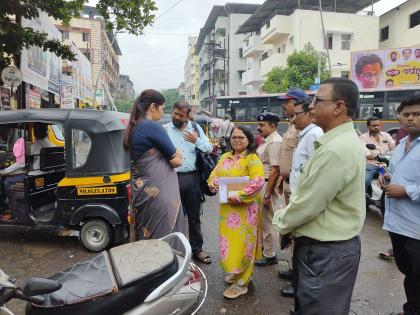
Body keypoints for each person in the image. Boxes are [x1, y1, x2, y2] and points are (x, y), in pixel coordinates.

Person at [273, 78, 365, 315]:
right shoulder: (334, 142)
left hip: (326, 253)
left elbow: (308, 205)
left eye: (317, 100)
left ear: (338, 107)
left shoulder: (335, 149)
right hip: (326, 250)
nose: (311, 106)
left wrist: (281, 223)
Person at [123, 89, 185, 250]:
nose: (163, 112)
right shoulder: (152, 127)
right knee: (162, 240)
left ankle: (150, 271)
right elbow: (177, 161)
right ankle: (165, 272)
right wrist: (177, 155)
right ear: (153, 106)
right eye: (162, 108)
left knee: (148, 237)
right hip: (158, 195)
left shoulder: (135, 127)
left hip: (142, 192)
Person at [207, 126, 264, 299]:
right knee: (230, 245)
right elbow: (213, 175)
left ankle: (242, 282)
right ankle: (236, 271)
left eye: (241, 137)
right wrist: (213, 184)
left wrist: (239, 195)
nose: (237, 140)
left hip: (246, 210)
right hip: (227, 210)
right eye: (234, 137)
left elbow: (258, 182)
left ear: (249, 139)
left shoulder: (252, 159)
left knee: (244, 245)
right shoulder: (225, 157)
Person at [380, 95, 420, 315]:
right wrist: (387, 178)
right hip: (397, 224)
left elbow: (409, 186)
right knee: (409, 274)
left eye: (417, 114)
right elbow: (397, 173)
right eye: (406, 114)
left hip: (417, 228)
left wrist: (407, 191)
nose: (411, 118)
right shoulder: (402, 144)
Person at [164, 100, 213, 264]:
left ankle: (197, 250)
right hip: (172, 178)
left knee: (194, 216)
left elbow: (210, 148)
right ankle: (175, 252)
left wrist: (196, 141)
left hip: (192, 178)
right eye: (175, 113)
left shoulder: (196, 129)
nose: (176, 117)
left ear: (188, 115)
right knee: (174, 217)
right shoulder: (165, 130)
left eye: (181, 115)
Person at [275, 88, 307, 293]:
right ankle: (294, 269)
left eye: (286, 102)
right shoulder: (291, 125)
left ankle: (299, 279)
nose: (283, 106)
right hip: (287, 182)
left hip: (297, 187)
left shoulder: (306, 129)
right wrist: (281, 177)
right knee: (292, 233)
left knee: (298, 233)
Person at [254, 112, 282, 267]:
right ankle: (266, 249)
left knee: (267, 221)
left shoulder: (275, 142)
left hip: (267, 184)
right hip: (262, 183)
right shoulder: (267, 140)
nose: (259, 128)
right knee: (262, 220)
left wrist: (268, 194)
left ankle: (270, 255)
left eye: (262, 125)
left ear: (273, 126)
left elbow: (274, 170)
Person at [359, 117, 395, 198]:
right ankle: (365, 199)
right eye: (374, 125)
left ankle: (382, 202)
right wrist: (369, 155)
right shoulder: (363, 137)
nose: (376, 127)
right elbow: (364, 149)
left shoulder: (386, 135)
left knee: (386, 181)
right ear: (368, 127)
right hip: (371, 164)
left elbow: (394, 146)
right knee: (364, 181)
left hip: (383, 165)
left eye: (378, 125)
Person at [0, 138, 25, 220]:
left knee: (7, 182)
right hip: (32, 173)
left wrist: (4, 171)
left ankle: (13, 211)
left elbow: (19, 164)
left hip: (30, 175)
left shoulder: (34, 146)